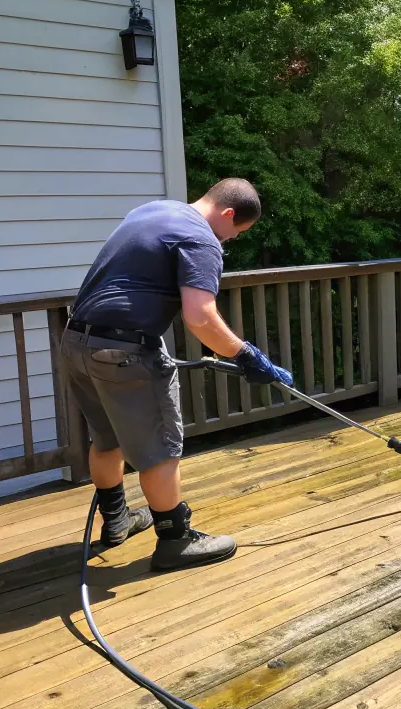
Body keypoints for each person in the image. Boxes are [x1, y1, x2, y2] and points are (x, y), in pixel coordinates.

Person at [59, 178, 293, 572]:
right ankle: (174, 541)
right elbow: (199, 316)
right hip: (123, 352)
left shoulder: (154, 210)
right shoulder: (201, 239)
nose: (229, 241)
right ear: (228, 213)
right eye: (235, 232)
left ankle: (116, 520)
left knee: (107, 438)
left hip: (77, 344)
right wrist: (247, 355)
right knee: (161, 448)